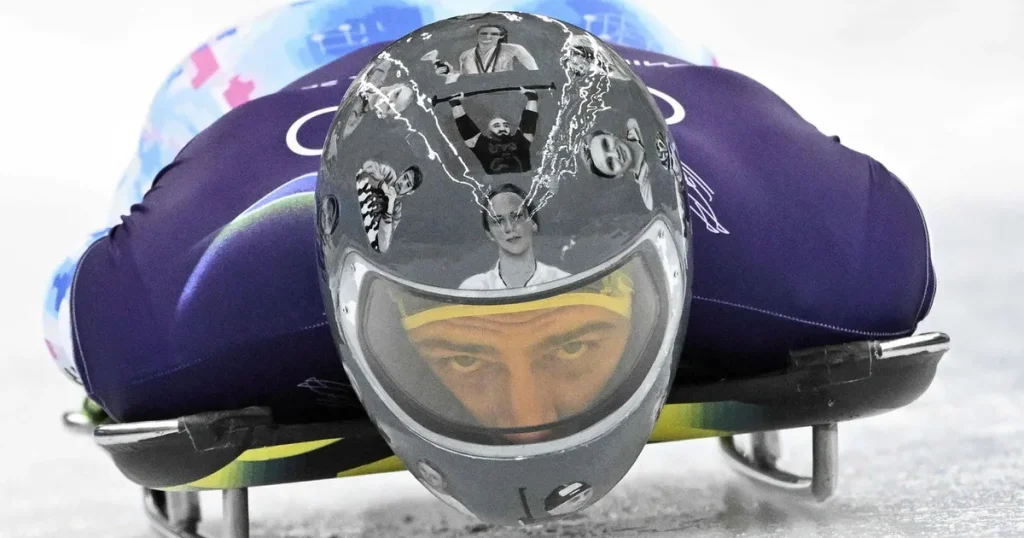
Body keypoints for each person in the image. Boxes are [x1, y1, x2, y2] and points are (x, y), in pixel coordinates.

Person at [44, 10, 936, 528]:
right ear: (346, 304)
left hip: (593, 36)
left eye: (573, 339)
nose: (528, 414)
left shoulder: (815, 248)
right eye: (465, 353)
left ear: (669, 264)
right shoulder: (183, 303)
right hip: (271, 73)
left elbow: (69, 310)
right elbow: (78, 302)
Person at [459, 183, 569, 289]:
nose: (509, 227)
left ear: (533, 223)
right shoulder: (474, 290)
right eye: (498, 221)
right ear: (489, 234)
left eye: (517, 216)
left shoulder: (562, 282)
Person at [449, 88, 540, 175]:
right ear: (489, 131)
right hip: (494, 182)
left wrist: (532, 98)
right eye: (496, 126)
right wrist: (456, 104)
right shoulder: (481, 144)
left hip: (524, 180)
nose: (502, 128)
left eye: (506, 125)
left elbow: (529, 120)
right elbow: (464, 124)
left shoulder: (520, 141)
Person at [580, 118, 653, 210]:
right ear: (617, 175)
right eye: (610, 164)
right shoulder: (649, 196)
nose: (616, 154)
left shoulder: (634, 123)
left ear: (610, 134)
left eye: (606, 144)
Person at [355, 159, 423, 253]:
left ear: (410, 192)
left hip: (359, 231)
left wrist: (389, 207)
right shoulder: (389, 175)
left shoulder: (396, 211)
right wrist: (382, 185)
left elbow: (383, 246)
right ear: (402, 173)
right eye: (405, 177)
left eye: (408, 185)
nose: (402, 183)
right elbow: (366, 166)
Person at [458, 24, 538, 75]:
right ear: (477, 35)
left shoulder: (515, 49)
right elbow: (463, 80)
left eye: (494, 34)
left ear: (501, 36)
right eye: (483, 33)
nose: (487, 37)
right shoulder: (465, 55)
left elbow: (534, 71)